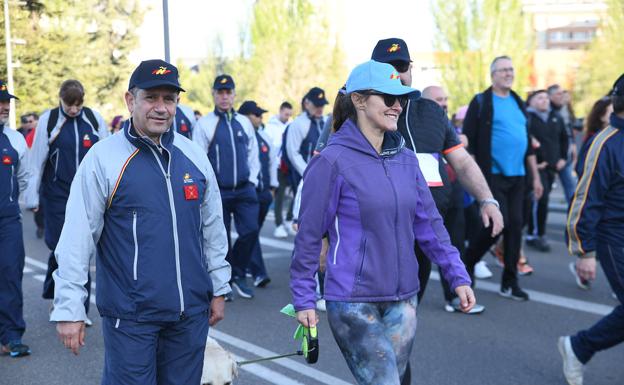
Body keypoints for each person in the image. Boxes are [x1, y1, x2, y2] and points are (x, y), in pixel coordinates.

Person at [290, 60, 476, 385]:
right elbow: (308, 236)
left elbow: (430, 226)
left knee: (393, 380)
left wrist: (457, 275)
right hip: (352, 300)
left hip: (404, 297)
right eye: (388, 98)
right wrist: (304, 297)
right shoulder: (331, 161)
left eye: (401, 98)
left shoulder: (406, 159)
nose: (397, 105)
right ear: (359, 101)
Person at [51, 59, 230, 384]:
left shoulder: (194, 156)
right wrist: (69, 308)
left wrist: (218, 288)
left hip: (189, 315)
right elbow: (77, 237)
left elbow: (213, 230)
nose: (161, 108)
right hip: (131, 317)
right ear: (130, 100)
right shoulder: (103, 159)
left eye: (169, 99)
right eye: (151, 98)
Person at [370, 38, 503, 312]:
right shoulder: (356, 112)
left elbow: (463, 163)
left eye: (401, 66)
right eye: (386, 68)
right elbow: (326, 167)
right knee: (380, 316)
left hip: (425, 228)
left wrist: (487, 200)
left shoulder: (431, 112)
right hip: (378, 236)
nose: (396, 74)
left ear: (411, 70)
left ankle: (398, 354)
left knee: (406, 313)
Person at [25, 79, 108, 322]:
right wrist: (32, 197)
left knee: (82, 251)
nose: (74, 110)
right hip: (57, 196)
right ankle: (58, 298)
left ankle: (78, 309)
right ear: (60, 99)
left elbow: (106, 156)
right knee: (60, 249)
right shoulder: (49, 120)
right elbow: (37, 160)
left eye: (78, 105)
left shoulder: (93, 119)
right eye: (69, 105)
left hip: (87, 195)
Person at [559, 73, 624, 385]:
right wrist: (585, 252)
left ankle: (578, 347)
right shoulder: (604, 143)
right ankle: (578, 346)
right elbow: (585, 199)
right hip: (614, 236)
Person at [463, 55, 543, 301]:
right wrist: (474, 180)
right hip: (492, 176)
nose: (509, 73)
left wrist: (536, 177)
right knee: (498, 226)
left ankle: (509, 282)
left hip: (518, 176)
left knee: (516, 227)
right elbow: (469, 143)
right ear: (493, 74)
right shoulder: (481, 102)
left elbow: (527, 144)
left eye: (511, 69)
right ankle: (467, 262)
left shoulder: (519, 102)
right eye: (503, 70)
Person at [193, 74, 260, 300]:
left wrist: (252, 180)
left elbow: (253, 153)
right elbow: (198, 158)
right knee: (219, 240)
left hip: (244, 189)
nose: (224, 97)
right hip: (218, 191)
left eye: (228, 92)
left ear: (234, 95)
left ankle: (239, 273)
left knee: (250, 230)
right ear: (213, 94)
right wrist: (205, 189)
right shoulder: (204, 124)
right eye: (220, 92)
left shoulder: (244, 123)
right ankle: (224, 284)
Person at [0, 81, 31, 357]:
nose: (5, 106)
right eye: (0, 102)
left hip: (7, 220)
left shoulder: (15, 139)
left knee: (10, 275)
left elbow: (23, 178)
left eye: (7, 101)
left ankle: (12, 337)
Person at [238, 100, 277, 287]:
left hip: (264, 193)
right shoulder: (240, 136)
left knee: (250, 233)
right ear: (245, 116)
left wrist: (273, 187)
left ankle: (240, 263)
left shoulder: (264, 136)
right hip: (248, 192)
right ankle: (259, 273)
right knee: (251, 231)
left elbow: (271, 162)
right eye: (257, 114)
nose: (260, 118)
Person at [525, 90, 568, 252]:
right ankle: (536, 235)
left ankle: (532, 232)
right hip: (535, 167)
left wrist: (563, 158)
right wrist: (535, 161)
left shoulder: (556, 117)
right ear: (531, 101)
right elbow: (525, 140)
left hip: (552, 167)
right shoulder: (527, 118)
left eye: (546, 98)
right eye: (540, 98)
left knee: (541, 200)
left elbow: (564, 138)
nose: (544, 101)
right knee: (539, 199)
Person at [265, 101, 294, 238]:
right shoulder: (270, 127)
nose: (287, 116)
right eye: (286, 114)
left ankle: (289, 219)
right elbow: (268, 147)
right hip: (278, 166)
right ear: (280, 111)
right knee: (280, 196)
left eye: (289, 114)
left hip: (290, 165)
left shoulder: (291, 126)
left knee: (297, 193)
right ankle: (279, 224)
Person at [548, 84, 577, 204]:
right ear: (550, 96)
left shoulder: (565, 109)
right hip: (548, 157)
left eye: (563, 93)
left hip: (564, 155)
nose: (562, 96)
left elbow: (568, 132)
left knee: (571, 189)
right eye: (559, 94)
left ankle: (574, 219)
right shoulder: (545, 111)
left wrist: (572, 148)